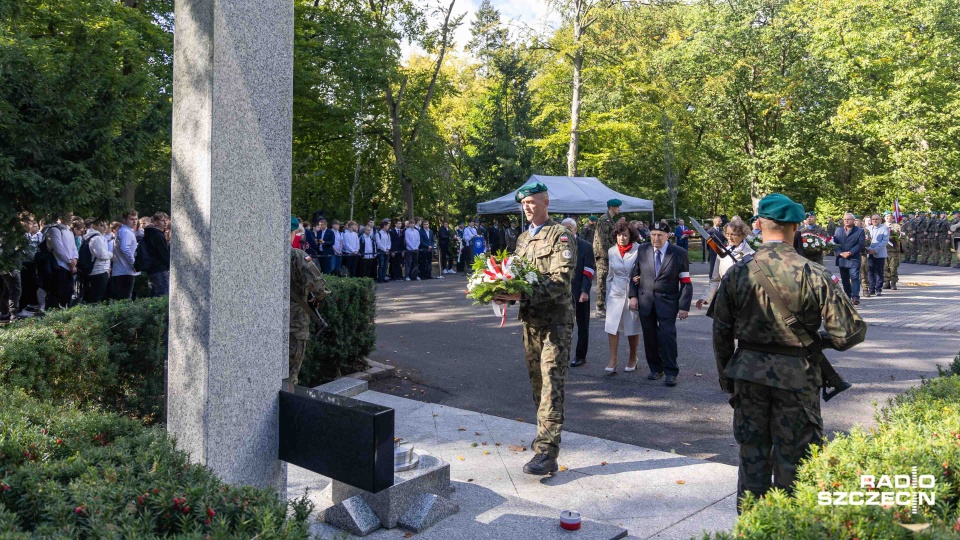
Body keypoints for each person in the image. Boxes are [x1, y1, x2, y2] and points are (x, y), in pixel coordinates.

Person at [709, 193, 866, 510]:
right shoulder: (814, 274)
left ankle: (752, 528)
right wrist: (817, 340)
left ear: (759, 226)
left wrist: (729, 383)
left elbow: (721, 333)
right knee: (796, 463)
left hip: (748, 378)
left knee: (752, 457)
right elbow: (849, 334)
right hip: (797, 378)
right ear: (796, 226)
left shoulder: (738, 273)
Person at [493, 182, 575, 476]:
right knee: (538, 386)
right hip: (531, 322)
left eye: (531, 202)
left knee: (552, 384)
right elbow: (516, 277)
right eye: (523, 203)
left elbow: (561, 281)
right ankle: (544, 435)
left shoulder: (560, 236)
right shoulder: (523, 239)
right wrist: (501, 291)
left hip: (556, 323)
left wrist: (521, 295)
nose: (527, 207)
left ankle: (547, 453)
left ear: (545, 202)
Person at [628, 221, 692, 387]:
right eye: (653, 235)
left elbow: (685, 281)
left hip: (668, 302)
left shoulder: (679, 253)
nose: (656, 238)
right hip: (646, 300)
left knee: (667, 336)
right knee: (649, 337)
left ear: (668, 236)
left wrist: (684, 306)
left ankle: (671, 371)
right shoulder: (643, 249)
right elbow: (635, 274)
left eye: (660, 235)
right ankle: (655, 368)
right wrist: (633, 296)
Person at [288, 218, 330, 384]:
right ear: (291, 233)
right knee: (290, 376)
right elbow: (319, 287)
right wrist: (319, 299)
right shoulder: (297, 256)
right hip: (295, 324)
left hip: (269, 324)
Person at [604, 222, 641, 373]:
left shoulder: (639, 249)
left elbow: (643, 270)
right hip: (615, 292)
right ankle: (613, 359)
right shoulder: (611, 251)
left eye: (625, 235)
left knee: (632, 326)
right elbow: (610, 275)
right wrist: (607, 296)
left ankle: (633, 357)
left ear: (631, 236)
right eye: (619, 235)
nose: (621, 238)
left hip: (633, 293)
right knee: (612, 327)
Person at [696, 220, 755, 310]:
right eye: (727, 234)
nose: (729, 237)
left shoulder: (751, 254)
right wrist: (706, 297)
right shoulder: (722, 253)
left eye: (733, 234)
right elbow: (715, 280)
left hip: (745, 301)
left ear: (742, 235)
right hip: (725, 300)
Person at [562, 218, 595, 368]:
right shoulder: (557, 245)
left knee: (582, 325)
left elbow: (588, 270)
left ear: (575, 229)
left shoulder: (586, 246)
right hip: (560, 292)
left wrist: (584, 291)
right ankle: (561, 355)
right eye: (564, 228)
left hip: (579, 291)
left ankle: (580, 356)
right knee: (562, 325)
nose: (567, 230)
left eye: (569, 227)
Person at [593, 199, 621, 317]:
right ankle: (600, 307)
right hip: (603, 254)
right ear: (612, 207)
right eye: (618, 207)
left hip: (607, 253)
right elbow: (602, 239)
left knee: (606, 279)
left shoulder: (609, 219)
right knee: (602, 280)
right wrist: (611, 253)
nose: (619, 209)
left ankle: (604, 305)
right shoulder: (605, 219)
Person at [833, 213, 864, 306]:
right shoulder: (838, 230)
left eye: (849, 219)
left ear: (853, 221)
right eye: (845, 219)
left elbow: (860, 244)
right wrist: (840, 253)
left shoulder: (859, 231)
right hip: (842, 258)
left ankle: (855, 296)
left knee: (854, 276)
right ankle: (847, 295)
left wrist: (850, 252)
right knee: (845, 279)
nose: (846, 221)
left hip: (853, 258)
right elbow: (834, 243)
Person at [80, 218, 112, 303]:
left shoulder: (95, 237)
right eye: (101, 225)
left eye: (105, 225)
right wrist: (111, 254)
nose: (104, 227)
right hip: (98, 271)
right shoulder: (96, 238)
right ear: (94, 226)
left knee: (97, 297)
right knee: (96, 298)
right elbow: (101, 255)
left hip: (100, 270)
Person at [142, 212, 171, 297]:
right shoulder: (157, 235)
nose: (165, 222)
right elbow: (164, 253)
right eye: (162, 220)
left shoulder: (150, 233)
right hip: (159, 268)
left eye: (166, 220)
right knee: (163, 294)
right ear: (155, 222)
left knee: (154, 294)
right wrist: (169, 265)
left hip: (152, 269)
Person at [864, 214, 889, 297]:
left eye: (877, 219)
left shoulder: (885, 228)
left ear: (880, 220)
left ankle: (878, 289)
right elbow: (865, 240)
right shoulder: (867, 228)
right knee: (870, 271)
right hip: (869, 253)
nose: (875, 221)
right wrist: (868, 249)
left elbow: (884, 241)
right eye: (873, 219)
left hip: (880, 253)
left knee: (879, 271)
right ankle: (871, 289)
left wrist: (875, 250)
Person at [882, 211, 901, 290]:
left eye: (889, 216)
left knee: (893, 267)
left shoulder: (896, 226)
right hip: (883, 249)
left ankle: (893, 282)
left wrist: (892, 236)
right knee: (885, 266)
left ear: (892, 217)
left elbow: (899, 236)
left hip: (893, 250)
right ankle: (887, 282)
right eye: (885, 216)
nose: (887, 217)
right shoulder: (881, 226)